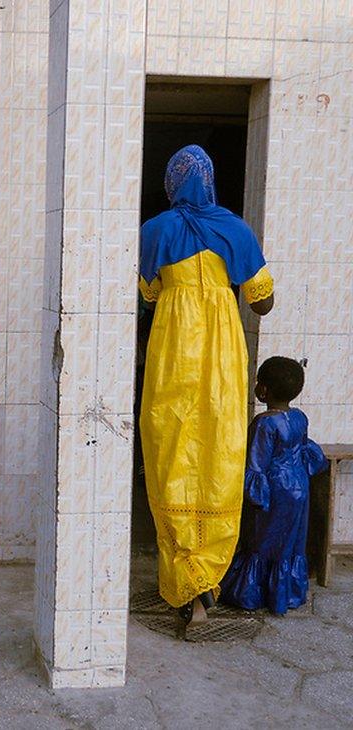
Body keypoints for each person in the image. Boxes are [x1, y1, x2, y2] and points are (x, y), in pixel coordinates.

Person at [138, 145, 275, 630]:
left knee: (170, 453)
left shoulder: (153, 232)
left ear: (173, 184)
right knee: (219, 454)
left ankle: (183, 581)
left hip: (173, 357)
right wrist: (228, 281)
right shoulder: (236, 229)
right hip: (220, 359)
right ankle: (206, 583)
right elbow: (263, 303)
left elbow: (149, 295)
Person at [220, 357, 327, 614]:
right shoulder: (300, 417)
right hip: (299, 488)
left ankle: (252, 595)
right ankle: (285, 595)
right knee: (290, 542)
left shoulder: (264, 423)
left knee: (261, 541)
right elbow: (304, 450)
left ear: (263, 390)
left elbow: (256, 466)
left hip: (274, 491)